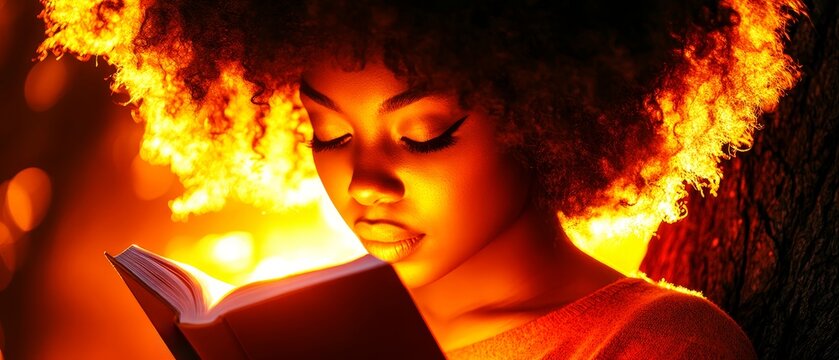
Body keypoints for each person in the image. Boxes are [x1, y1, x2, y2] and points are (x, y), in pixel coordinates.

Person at [137, 0, 763, 358]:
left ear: (547, 115)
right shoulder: (305, 339)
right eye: (329, 133)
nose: (365, 184)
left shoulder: (657, 345)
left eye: (423, 134)